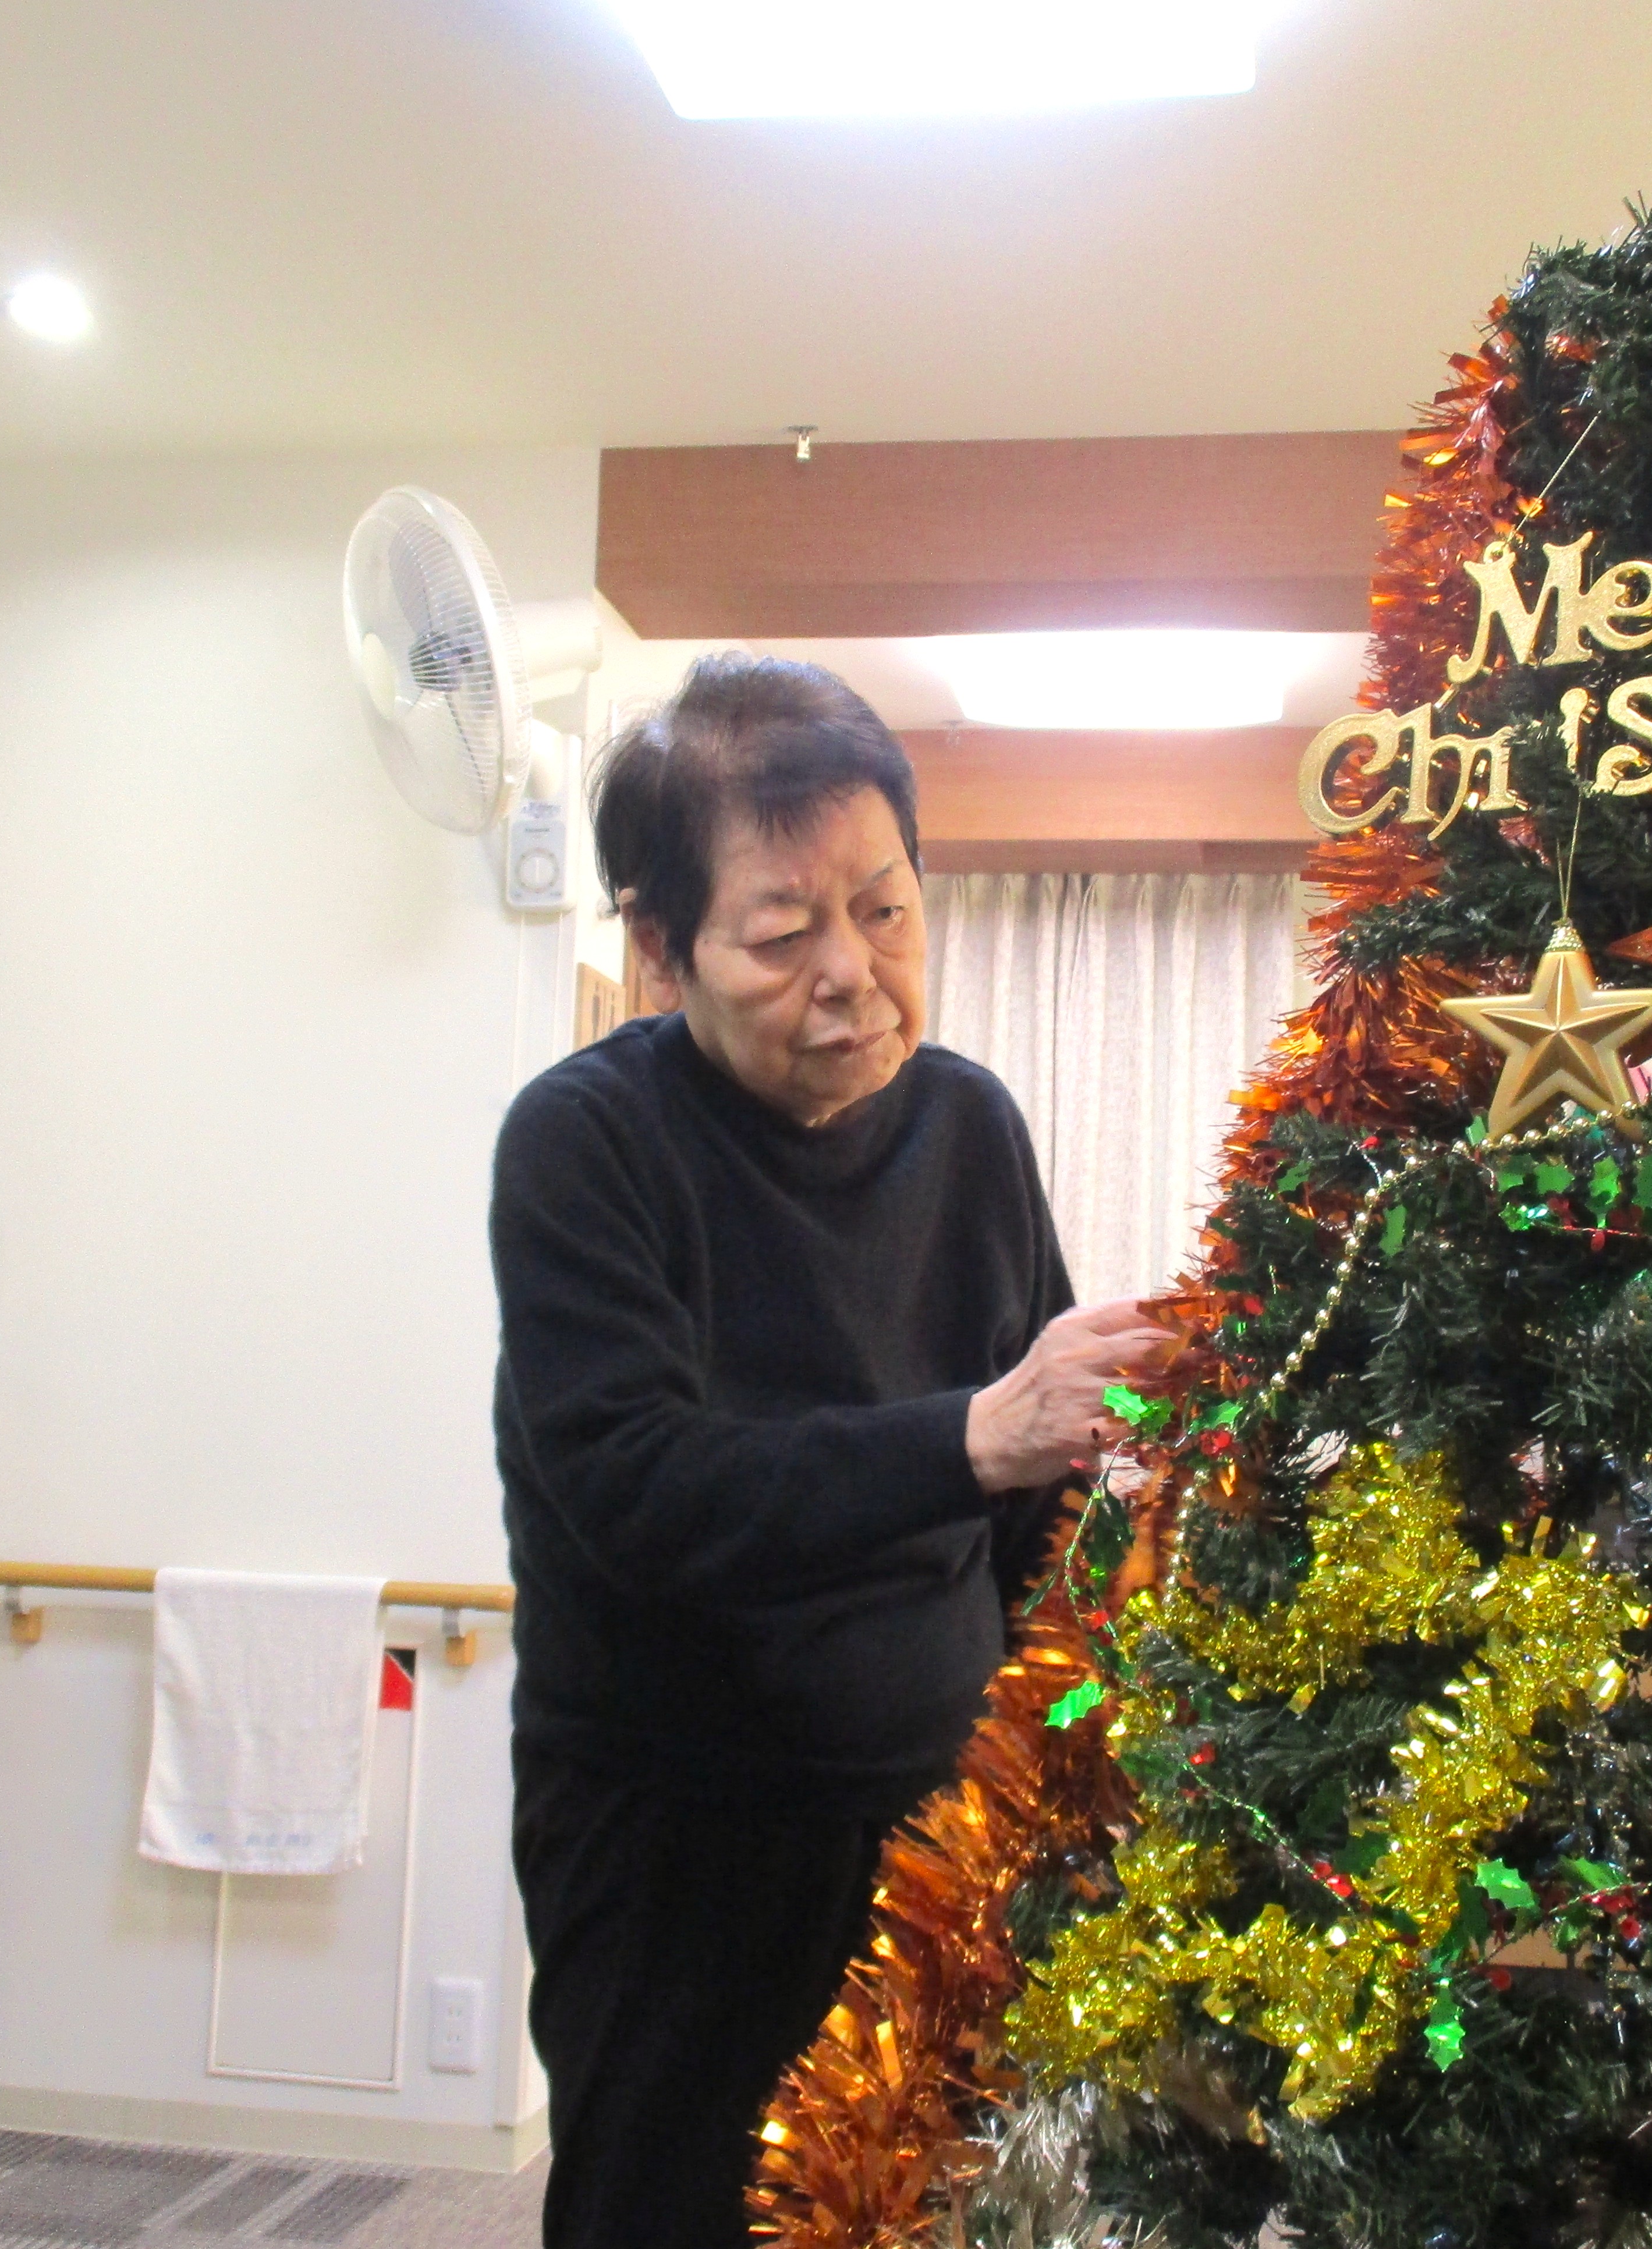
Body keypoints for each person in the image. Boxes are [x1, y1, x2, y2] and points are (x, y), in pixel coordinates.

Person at [488, 653, 1171, 2249]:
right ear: (662, 947)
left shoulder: (970, 1128)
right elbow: (639, 1492)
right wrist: (973, 1436)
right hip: (674, 1848)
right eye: (784, 933)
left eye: (886, 910)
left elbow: (1040, 1499)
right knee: (673, 2215)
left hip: (939, 1821)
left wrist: (1065, 1742)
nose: (854, 974)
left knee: (938, 2212)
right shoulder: (584, 1142)